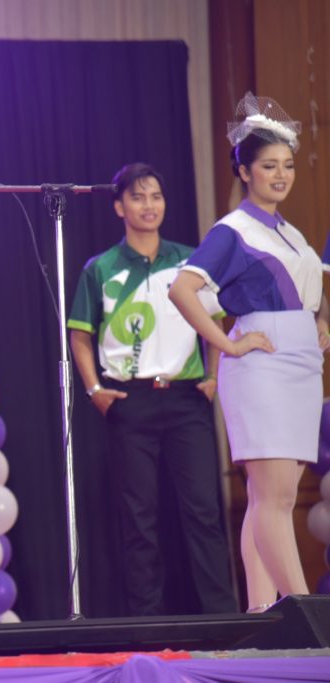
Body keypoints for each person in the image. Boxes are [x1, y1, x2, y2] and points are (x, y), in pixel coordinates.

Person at [169, 93, 328, 612]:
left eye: (287, 165)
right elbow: (182, 289)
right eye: (268, 166)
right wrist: (228, 344)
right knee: (275, 499)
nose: (281, 175)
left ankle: (261, 616)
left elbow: (312, 292)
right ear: (244, 171)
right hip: (263, 367)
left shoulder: (290, 232)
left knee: (269, 500)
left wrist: (321, 323)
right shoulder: (232, 231)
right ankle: (304, 614)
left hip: (301, 366)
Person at [69, 162, 237, 616]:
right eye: (138, 197)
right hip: (130, 401)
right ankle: (148, 625)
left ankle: (223, 619)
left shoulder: (190, 262)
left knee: (203, 512)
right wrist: (94, 389)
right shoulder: (100, 268)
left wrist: (213, 377)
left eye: (156, 196)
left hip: (186, 398)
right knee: (139, 519)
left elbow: (215, 325)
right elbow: (80, 334)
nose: (149, 205)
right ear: (119, 206)